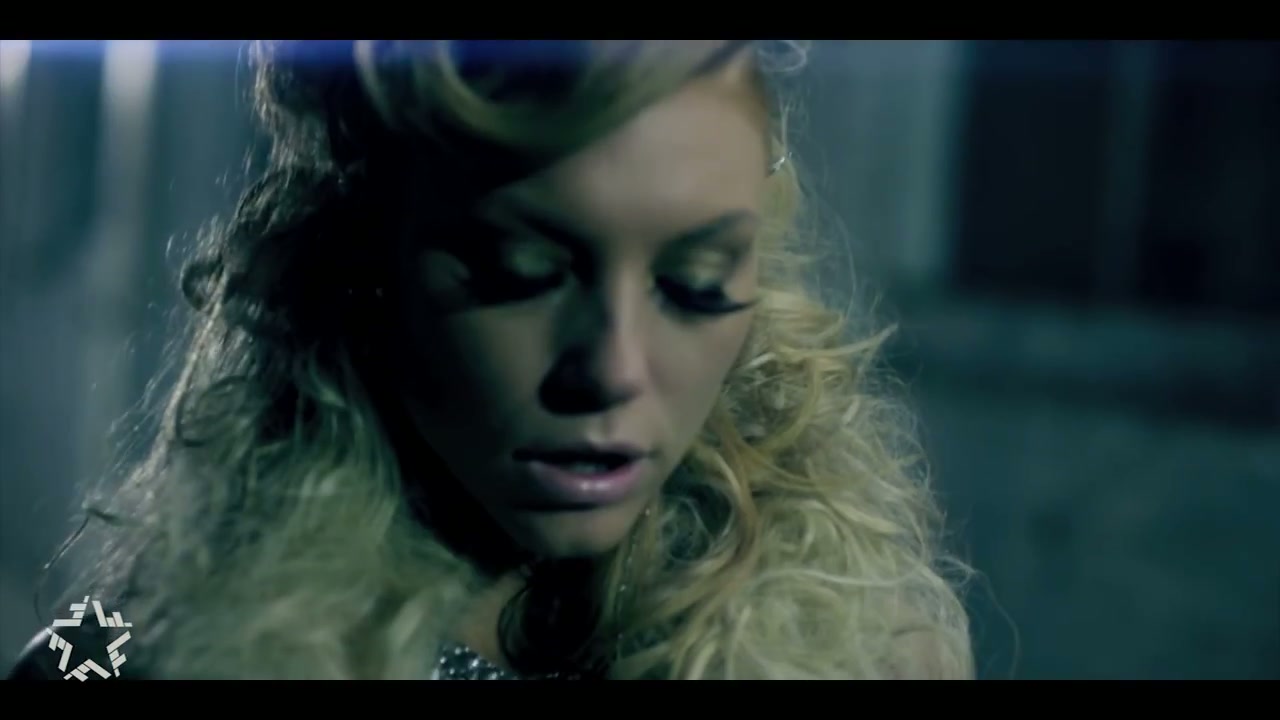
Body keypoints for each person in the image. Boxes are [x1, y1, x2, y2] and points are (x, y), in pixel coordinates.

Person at [10, 39, 972, 680]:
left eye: (695, 284)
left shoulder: (875, 646)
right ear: (364, 260)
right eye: (521, 274)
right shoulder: (136, 642)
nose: (612, 369)